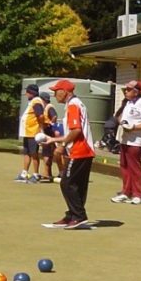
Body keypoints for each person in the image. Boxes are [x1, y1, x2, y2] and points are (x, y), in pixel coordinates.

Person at [43, 79, 95, 229]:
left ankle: (79, 215)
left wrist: (62, 145)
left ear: (64, 91)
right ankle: (73, 214)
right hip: (84, 149)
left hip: (80, 150)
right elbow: (73, 131)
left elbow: (76, 130)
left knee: (67, 181)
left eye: (56, 91)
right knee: (77, 184)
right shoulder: (75, 104)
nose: (54, 94)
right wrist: (54, 139)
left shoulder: (73, 105)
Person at [111, 80, 141, 205]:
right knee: (124, 166)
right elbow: (119, 117)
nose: (126, 92)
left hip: (135, 140)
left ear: (136, 91)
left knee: (135, 167)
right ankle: (126, 192)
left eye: (128, 90)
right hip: (124, 138)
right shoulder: (127, 103)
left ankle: (138, 194)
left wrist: (133, 127)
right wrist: (122, 122)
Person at [15, 84, 44, 184]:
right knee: (27, 153)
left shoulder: (36, 102)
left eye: (27, 92)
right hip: (27, 132)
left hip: (33, 132)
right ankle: (24, 173)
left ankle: (36, 174)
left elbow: (40, 115)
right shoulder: (32, 102)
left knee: (34, 154)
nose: (26, 94)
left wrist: (40, 128)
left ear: (32, 93)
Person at [39, 91, 61, 181]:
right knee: (47, 153)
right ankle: (48, 173)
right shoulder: (45, 107)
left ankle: (48, 173)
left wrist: (51, 124)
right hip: (47, 131)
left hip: (49, 132)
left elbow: (54, 116)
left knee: (48, 153)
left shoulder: (48, 107)